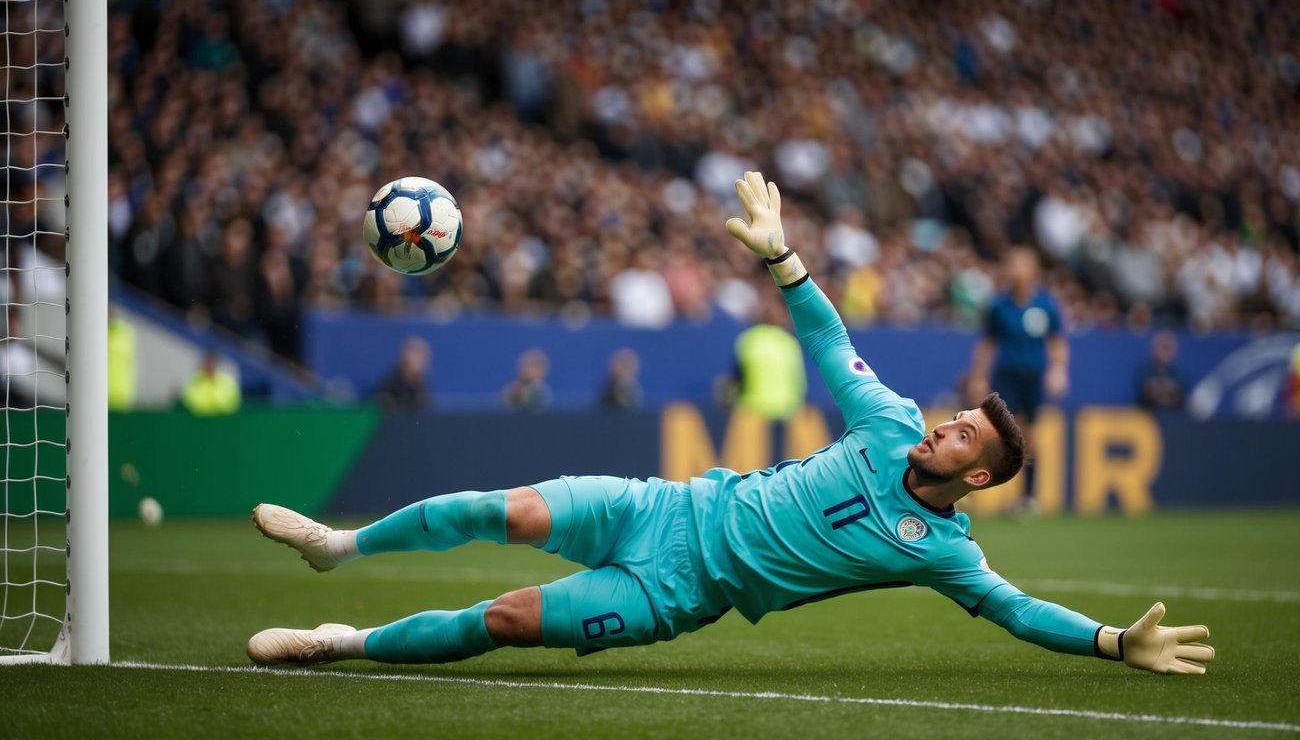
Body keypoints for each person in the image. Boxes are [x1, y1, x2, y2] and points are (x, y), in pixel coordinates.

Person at [247, 172, 1213, 676]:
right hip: (664, 508)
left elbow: (1014, 609)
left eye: (964, 437)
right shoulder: (887, 425)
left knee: (503, 620)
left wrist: (1106, 641)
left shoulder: (942, 552)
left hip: (683, 587)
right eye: (953, 418)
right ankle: (339, 546)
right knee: (507, 509)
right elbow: (830, 344)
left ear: (978, 479)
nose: (943, 428)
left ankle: (339, 642)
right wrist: (783, 259)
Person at [966, 245, 1069, 513]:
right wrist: (978, 377)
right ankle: (968, 491)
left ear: (1033, 269)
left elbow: (1056, 342)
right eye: (1012, 264)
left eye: (1022, 264)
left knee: (1029, 435)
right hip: (1007, 375)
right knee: (991, 432)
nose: (1016, 270)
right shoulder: (999, 305)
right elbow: (987, 345)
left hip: (1032, 377)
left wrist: (1058, 369)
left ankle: (1027, 498)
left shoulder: (1045, 304)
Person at [716, 289, 807, 421]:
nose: (773, 311)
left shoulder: (790, 343)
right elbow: (735, 378)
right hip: (753, 417)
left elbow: (798, 385)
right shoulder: (750, 339)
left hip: (784, 418)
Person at [1135, 330, 1189, 412]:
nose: (1165, 352)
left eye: (1169, 348)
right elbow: (1144, 392)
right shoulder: (1144, 371)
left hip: (1175, 417)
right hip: (1148, 416)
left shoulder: (1180, 375)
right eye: (1163, 347)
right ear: (1153, 348)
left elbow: (1181, 394)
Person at [374, 337, 432, 412]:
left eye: (424, 360)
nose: (422, 365)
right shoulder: (389, 388)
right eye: (417, 361)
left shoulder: (423, 389)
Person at [181, 349, 241, 416]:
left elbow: (232, 403)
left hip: (223, 419)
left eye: (213, 363)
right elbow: (192, 403)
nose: (210, 366)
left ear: (218, 365)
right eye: (208, 363)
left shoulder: (228, 381)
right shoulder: (193, 381)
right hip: (199, 419)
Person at [502, 348, 553, 413]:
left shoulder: (545, 394)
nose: (532, 371)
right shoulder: (511, 392)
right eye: (531, 365)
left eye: (536, 366)